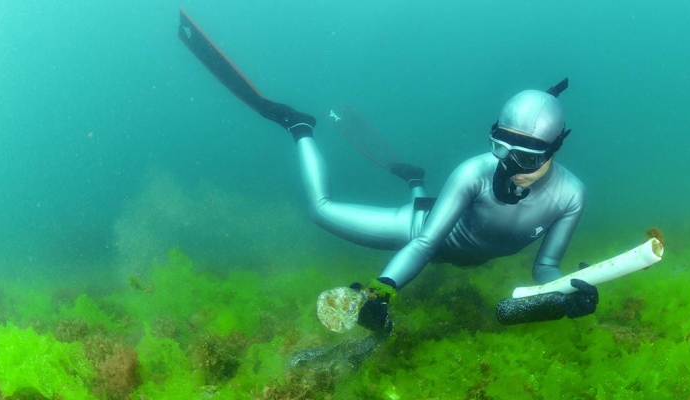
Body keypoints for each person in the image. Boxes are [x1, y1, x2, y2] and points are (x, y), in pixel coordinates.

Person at [177, 9, 597, 336]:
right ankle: (297, 125)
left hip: (462, 244)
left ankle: (415, 180)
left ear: (555, 148)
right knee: (321, 211)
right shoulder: (474, 172)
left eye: (524, 157)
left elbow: (545, 269)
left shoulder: (570, 195)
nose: (509, 166)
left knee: (428, 207)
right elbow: (428, 241)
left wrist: (566, 292)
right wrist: (384, 288)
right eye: (501, 149)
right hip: (417, 228)